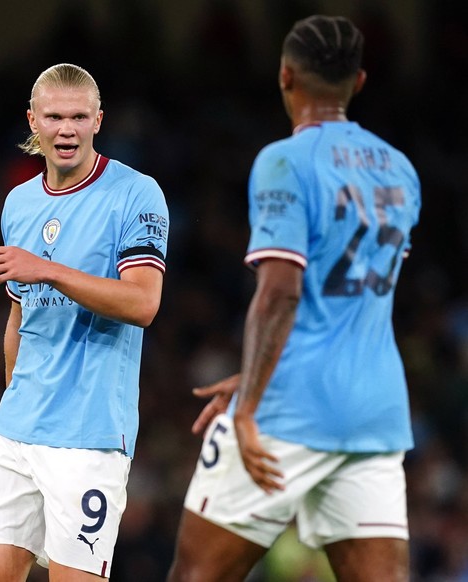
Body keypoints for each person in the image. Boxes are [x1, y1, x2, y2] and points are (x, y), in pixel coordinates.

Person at [168, 15, 420, 582]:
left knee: (197, 574)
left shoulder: (284, 161)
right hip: (373, 412)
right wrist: (257, 370)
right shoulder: (402, 172)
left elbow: (282, 292)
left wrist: (251, 404)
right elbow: (352, 302)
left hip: (288, 410)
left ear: (285, 76)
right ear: (358, 82)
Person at [0, 63, 169, 581]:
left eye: (79, 116)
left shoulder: (135, 193)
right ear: (32, 120)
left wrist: (48, 270)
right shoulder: (19, 203)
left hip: (90, 432)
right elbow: (19, 313)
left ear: (99, 120)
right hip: (20, 424)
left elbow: (143, 303)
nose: (66, 130)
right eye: (54, 117)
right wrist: (15, 400)